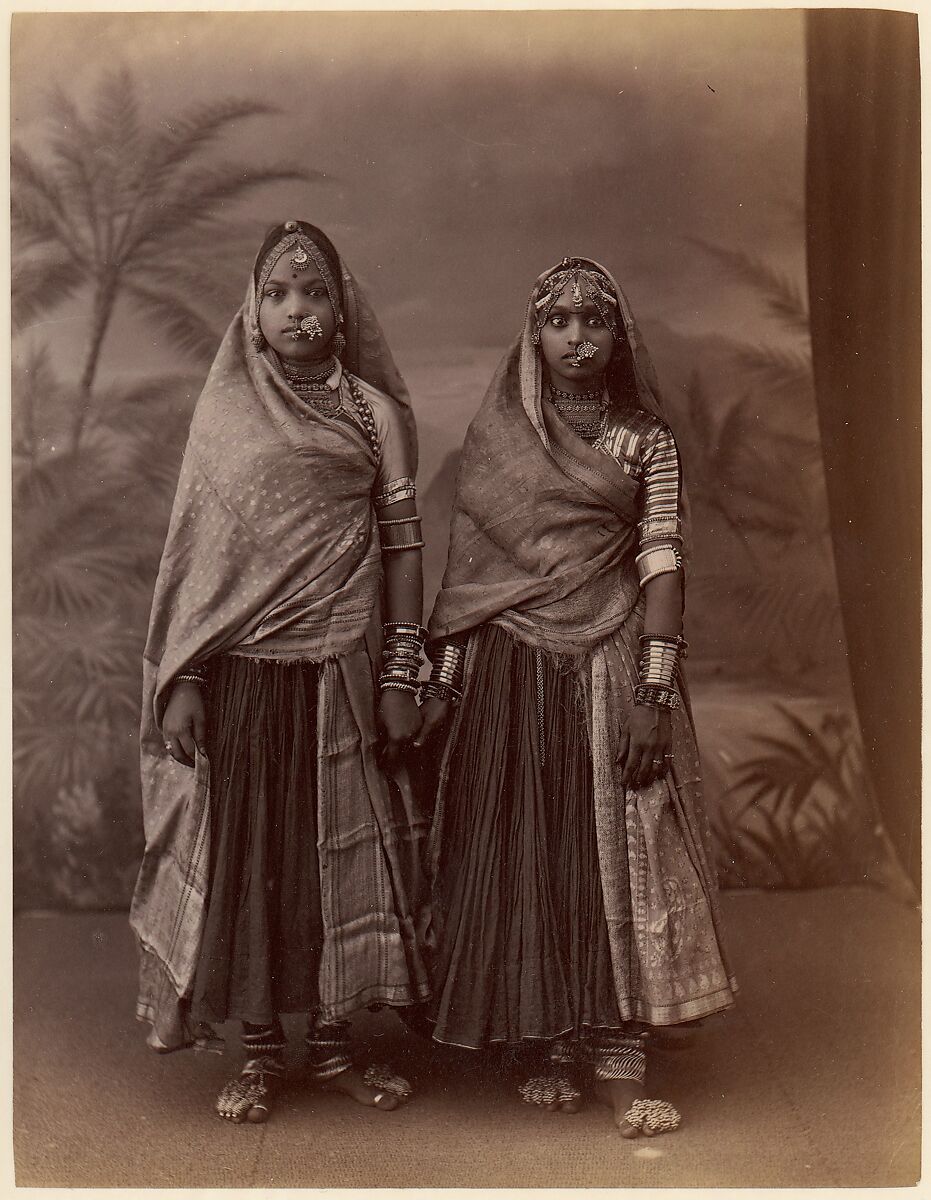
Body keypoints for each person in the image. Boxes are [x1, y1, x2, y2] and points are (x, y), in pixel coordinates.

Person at [415, 256, 737, 1137]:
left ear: (617, 334)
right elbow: (467, 584)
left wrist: (654, 694)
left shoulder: (645, 440)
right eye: (558, 320)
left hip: (611, 656)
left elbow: (663, 562)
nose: (576, 337)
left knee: (619, 845)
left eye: (593, 320)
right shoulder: (500, 438)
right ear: (534, 334)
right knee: (533, 845)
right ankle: (552, 1038)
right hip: (510, 669)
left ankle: (620, 1049)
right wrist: (440, 688)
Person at [130, 220, 432, 1124]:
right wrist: (183, 677)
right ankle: (260, 1049)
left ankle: (336, 1043)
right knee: (255, 857)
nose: (297, 310)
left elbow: (403, 553)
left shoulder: (374, 417)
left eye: (315, 294)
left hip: (339, 665)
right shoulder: (226, 414)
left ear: (344, 311)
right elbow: (199, 563)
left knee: (336, 858)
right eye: (277, 294)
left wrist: (401, 673)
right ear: (251, 312)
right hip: (245, 676)